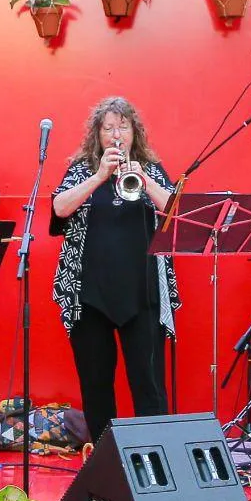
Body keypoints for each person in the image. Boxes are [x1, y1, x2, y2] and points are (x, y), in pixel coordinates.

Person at [50, 97, 180, 441]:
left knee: (150, 384)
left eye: (123, 126)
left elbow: (176, 210)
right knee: (96, 384)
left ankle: (156, 453)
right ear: (97, 134)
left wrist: (145, 180)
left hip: (143, 293)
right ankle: (104, 456)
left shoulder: (151, 169)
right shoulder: (82, 169)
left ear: (135, 132)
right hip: (89, 294)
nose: (116, 134)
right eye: (108, 128)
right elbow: (60, 208)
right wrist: (99, 176)